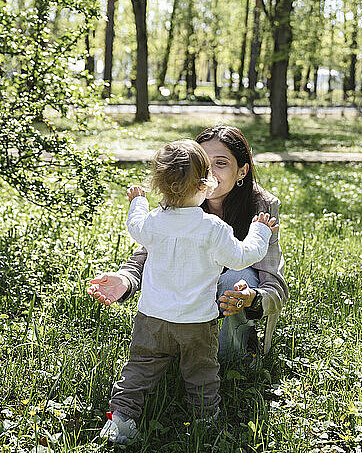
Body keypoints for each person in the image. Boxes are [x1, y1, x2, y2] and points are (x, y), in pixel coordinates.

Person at [95, 139, 278, 444]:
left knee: (139, 368)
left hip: (152, 318)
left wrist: (138, 201)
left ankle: (121, 420)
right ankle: (205, 421)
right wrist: (259, 229)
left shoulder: (153, 222)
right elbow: (244, 256)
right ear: (206, 185)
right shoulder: (212, 228)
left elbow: (135, 224)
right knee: (202, 371)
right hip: (196, 323)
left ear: (160, 186)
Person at [88, 125, 288, 364]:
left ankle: (234, 356)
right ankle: (175, 351)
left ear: (242, 171)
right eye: (204, 163)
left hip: (232, 293)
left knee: (234, 278)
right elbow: (149, 250)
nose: (210, 174)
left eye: (221, 163)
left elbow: (274, 285)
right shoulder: (184, 194)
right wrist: (126, 280)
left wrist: (252, 298)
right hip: (187, 301)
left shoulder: (262, 206)